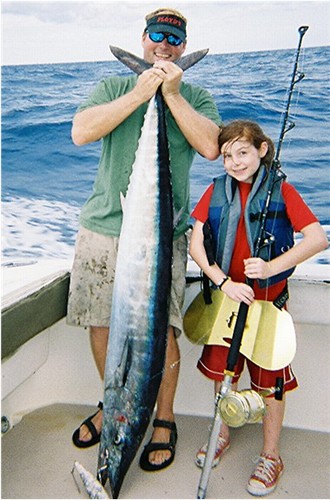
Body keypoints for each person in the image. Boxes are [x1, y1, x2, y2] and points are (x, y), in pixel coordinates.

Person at [67, 7, 221, 471]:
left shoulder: (195, 95)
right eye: (158, 36)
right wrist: (140, 92)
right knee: (101, 323)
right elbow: (80, 133)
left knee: (161, 333)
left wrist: (171, 93)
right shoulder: (113, 86)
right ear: (144, 38)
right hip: (103, 226)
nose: (165, 45)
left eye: (175, 40)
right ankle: (113, 401)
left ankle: (164, 419)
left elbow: (212, 146)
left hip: (160, 236)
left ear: (182, 44)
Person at [189, 120, 328, 495]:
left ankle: (271, 455)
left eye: (243, 153)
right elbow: (195, 242)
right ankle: (221, 434)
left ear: (262, 150)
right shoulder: (215, 190)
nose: (234, 163)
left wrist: (270, 268)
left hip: (268, 304)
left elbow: (317, 239)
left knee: (270, 384)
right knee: (224, 374)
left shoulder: (282, 190)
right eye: (228, 156)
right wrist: (222, 280)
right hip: (228, 299)